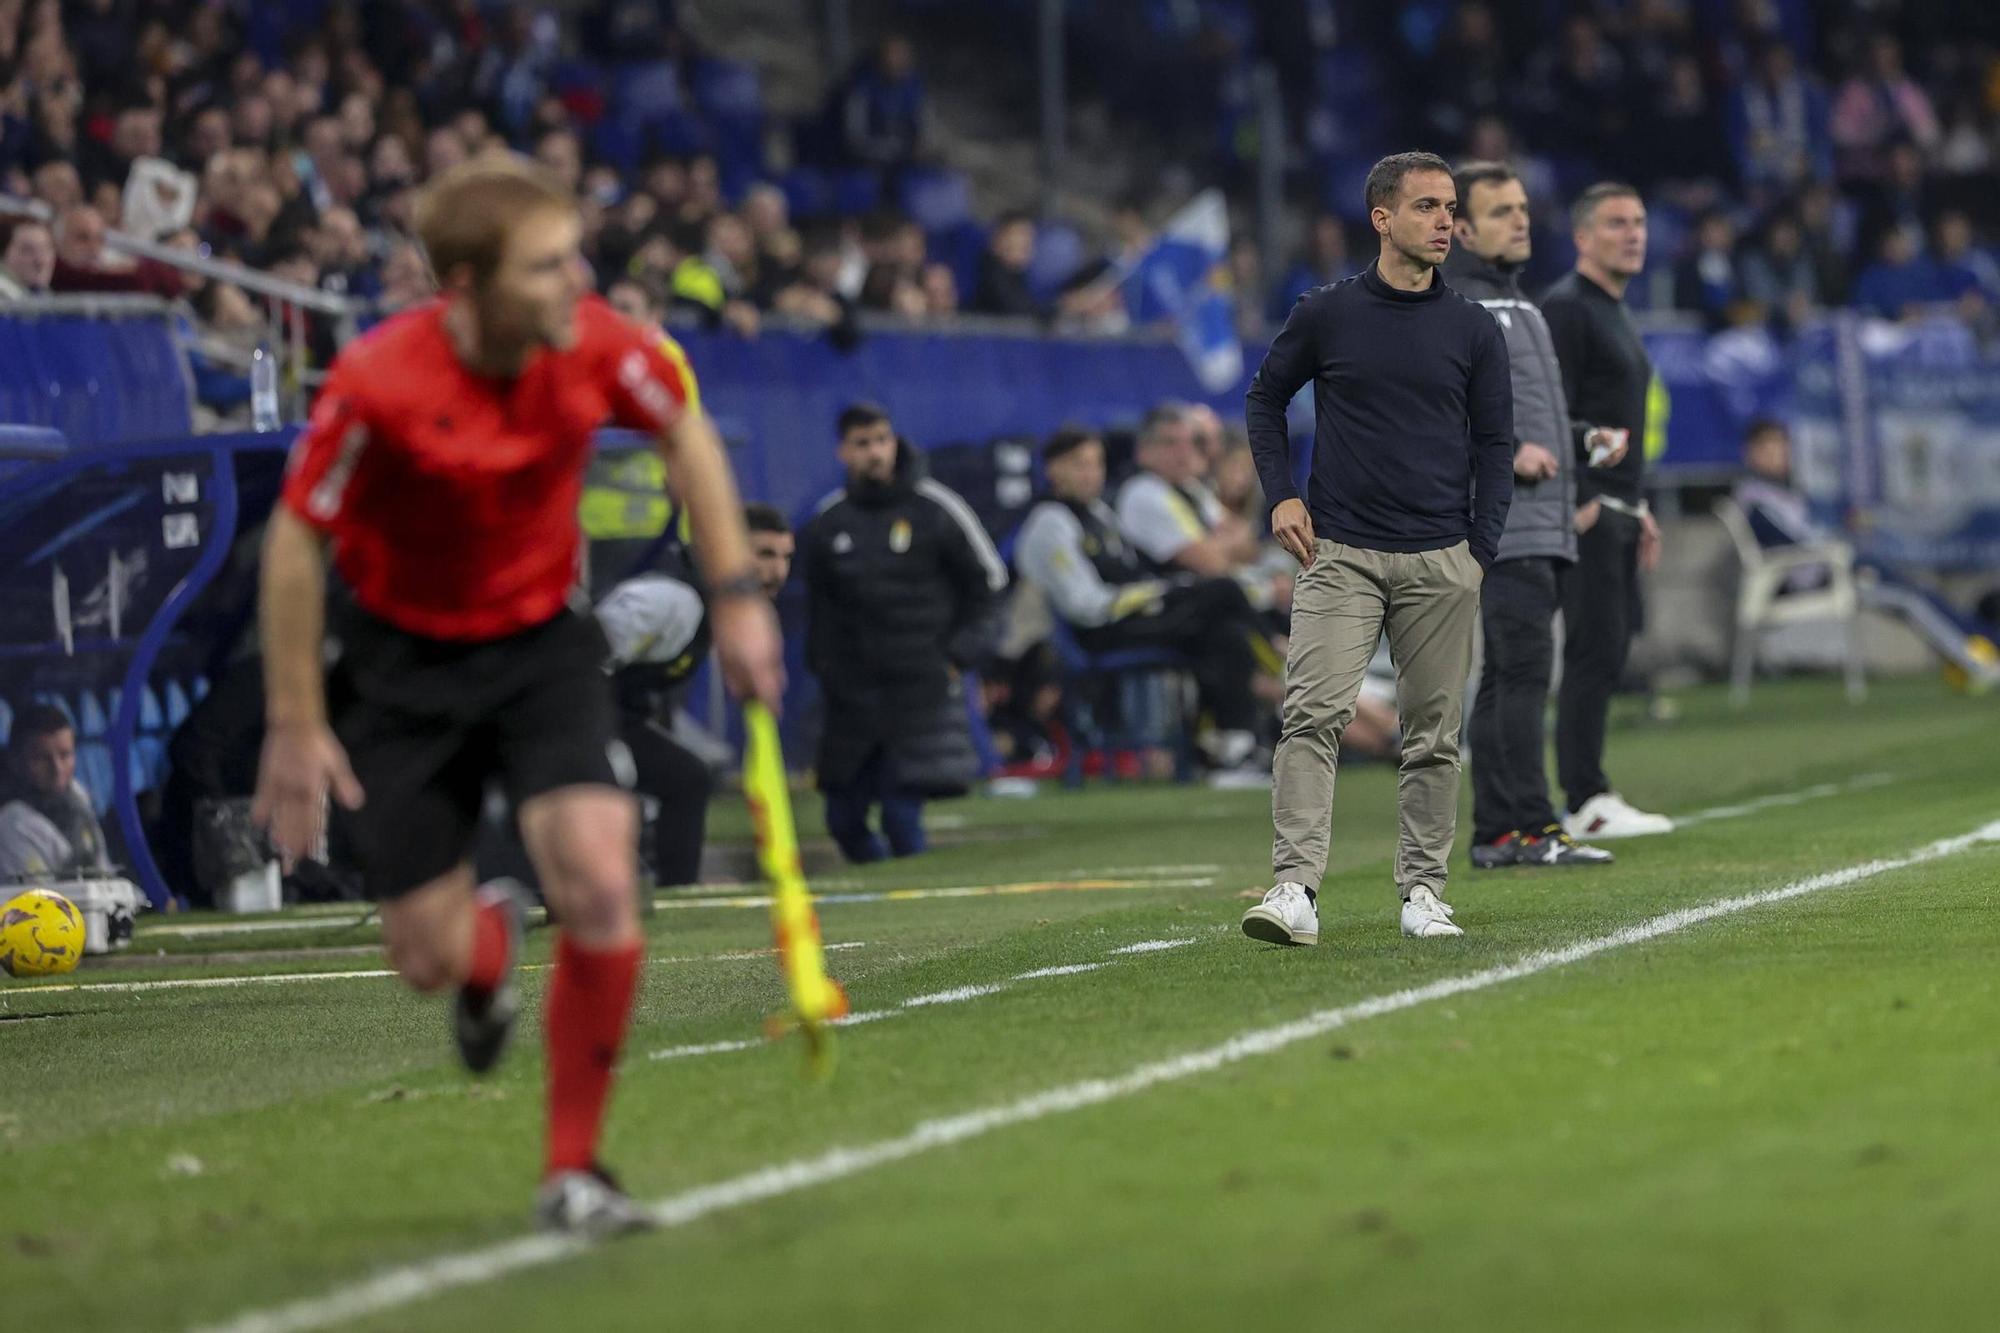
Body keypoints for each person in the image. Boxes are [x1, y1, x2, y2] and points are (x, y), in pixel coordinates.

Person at [253, 157, 783, 1235]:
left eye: (573, 256)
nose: (572, 282)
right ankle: (485, 952)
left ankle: (573, 1170)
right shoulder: (376, 383)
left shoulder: (594, 342)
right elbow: (297, 539)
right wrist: (297, 721)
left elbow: (684, 428)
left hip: (541, 644)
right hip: (402, 668)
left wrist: (733, 598)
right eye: (545, 266)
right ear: (463, 283)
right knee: (421, 960)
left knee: (596, 877)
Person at [1239, 150, 1513, 947]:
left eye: (1451, 208)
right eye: (1428, 206)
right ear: (1382, 218)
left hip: (1442, 559)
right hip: (1342, 552)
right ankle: (1294, 888)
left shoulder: (1471, 327)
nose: (1446, 223)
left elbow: (1497, 444)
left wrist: (1479, 550)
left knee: (1432, 734)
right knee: (1311, 716)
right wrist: (1281, 493)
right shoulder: (1326, 313)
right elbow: (1264, 401)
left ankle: (1423, 891)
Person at [1443, 161, 1614, 871]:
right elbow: (1442, 409)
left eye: (1521, 208)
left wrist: (1579, 445)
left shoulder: (1522, 305)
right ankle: (1527, 826)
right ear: (1460, 229)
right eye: (1500, 211)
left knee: (1509, 675)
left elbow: (1530, 415)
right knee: (1520, 671)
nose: (1520, 220)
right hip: (1504, 521)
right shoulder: (1460, 308)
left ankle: (1498, 829)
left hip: (1540, 519)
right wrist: (1511, 452)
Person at [801, 404, 1008, 863]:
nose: (875, 453)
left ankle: (917, 905)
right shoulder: (828, 521)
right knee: (843, 820)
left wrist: (959, 654)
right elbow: (813, 605)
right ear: (842, 452)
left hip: (921, 684)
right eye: (862, 443)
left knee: (901, 814)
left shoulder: (937, 507)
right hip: (851, 694)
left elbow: (989, 584)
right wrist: (825, 664)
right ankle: (880, 892)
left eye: (881, 440)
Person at [1013, 427, 1266, 780]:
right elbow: (1085, 605)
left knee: (1225, 632)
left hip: (1129, 618)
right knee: (1221, 592)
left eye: (1096, 464)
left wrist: (1161, 591)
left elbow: (1133, 576)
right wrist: (1157, 595)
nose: (1090, 474)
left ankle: (1230, 751)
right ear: (1053, 470)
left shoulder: (1101, 515)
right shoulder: (1050, 522)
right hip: (1099, 633)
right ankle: (1278, 655)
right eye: (1079, 465)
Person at [1542, 182, 1674, 841]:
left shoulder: (1615, 309)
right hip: (1585, 511)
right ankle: (1584, 796)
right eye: (1617, 223)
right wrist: (1587, 495)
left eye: (1640, 221)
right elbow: (1546, 409)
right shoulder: (1567, 309)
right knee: (1593, 649)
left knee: (1610, 647)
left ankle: (1591, 789)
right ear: (1583, 236)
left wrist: (1636, 502)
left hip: (1618, 505)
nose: (1633, 233)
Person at [594, 504, 796, 889]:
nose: (779, 571)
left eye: (786, 557)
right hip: (569, 718)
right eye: (764, 554)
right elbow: (578, 659)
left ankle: (678, 893)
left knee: (686, 778)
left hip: (615, 717)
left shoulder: (710, 601)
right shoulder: (667, 600)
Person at [1733, 420, 2000, 691]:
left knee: (1918, 593)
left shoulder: (1789, 492)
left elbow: (1811, 534)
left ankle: (1983, 642)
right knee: (1911, 599)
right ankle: (1978, 660)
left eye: (1781, 445)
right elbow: (1792, 544)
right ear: (1751, 454)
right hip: (1815, 577)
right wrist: (1837, 551)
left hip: (1836, 566)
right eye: (1768, 448)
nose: (1778, 454)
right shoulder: (1756, 499)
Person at [0, 704, 112, 882]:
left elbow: (104, 870)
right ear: (16, 761)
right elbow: (36, 900)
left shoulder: (79, 797)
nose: (57, 769)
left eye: (65, 755)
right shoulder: (10, 823)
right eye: (41, 759)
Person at [0, 218, 56, 299]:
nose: (41, 261)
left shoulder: (46, 297)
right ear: (2, 254)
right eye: (27, 250)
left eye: (46, 248)